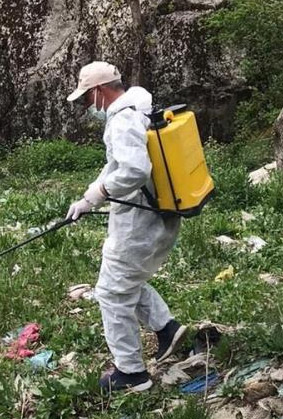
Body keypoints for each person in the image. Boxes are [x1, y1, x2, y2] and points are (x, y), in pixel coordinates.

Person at [65, 61, 186, 393]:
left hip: (139, 221)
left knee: (111, 293)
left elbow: (132, 169)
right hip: (154, 214)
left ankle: (131, 373)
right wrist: (88, 199)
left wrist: (104, 192)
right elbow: (115, 165)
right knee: (126, 281)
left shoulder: (122, 120)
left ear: (99, 91)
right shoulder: (139, 109)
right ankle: (167, 329)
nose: (88, 107)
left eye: (87, 100)